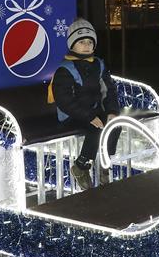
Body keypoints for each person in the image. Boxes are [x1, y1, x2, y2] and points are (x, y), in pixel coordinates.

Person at [49, 18, 121, 191]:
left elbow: (109, 90)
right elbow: (64, 100)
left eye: (90, 42)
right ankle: (80, 167)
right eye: (81, 42)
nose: (87, 45)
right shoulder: (65, 69)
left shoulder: (99, 64)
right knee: (96, 128)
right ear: (72, 45)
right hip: (73, 114)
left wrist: (111, 111)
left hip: (94, 110)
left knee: (114, 125)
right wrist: (89, 116)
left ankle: (104, 163)